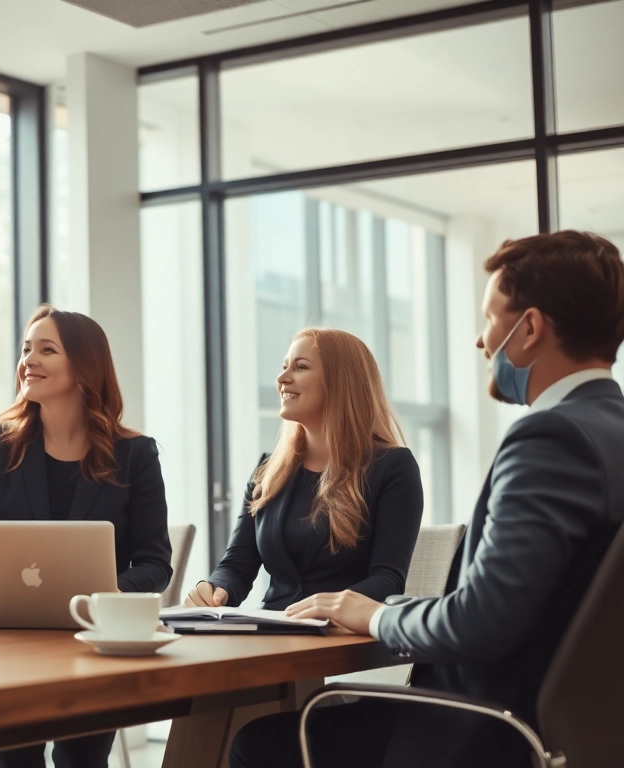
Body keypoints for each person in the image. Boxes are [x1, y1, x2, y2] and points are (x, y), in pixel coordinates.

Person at [232, 231, 624, 768]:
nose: (483, 343)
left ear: (529, 327)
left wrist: (377, 615)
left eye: (490, 320)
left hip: (483, 729)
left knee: (256, 743)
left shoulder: (550, 439)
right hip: (576, 726)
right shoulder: (610, 431)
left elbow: (481, 620)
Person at [0, 304, 173, 768]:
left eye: (46, 350)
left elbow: (155, 564)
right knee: (15, 761)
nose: (28, 360)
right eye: (25, 349)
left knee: (81, 759)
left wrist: (109, 595)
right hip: (11, 641)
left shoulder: (135, 455)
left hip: (95, 638)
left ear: (83, 367)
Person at [186, 328, 423, 612]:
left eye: (300, 367)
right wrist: (215, 588)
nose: (282, 378)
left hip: (343, 640)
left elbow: (388, 580)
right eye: (284, 367)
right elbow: (237, 565)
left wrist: (331, 606)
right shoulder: (268, 470)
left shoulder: (393, 467)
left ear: (340, 382)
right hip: (275, 632)